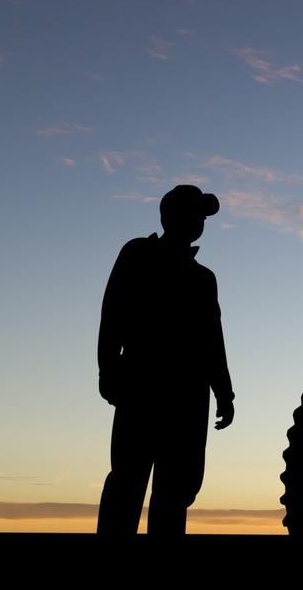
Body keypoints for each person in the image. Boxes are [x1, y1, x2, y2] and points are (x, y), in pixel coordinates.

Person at [96, 185, 235, 537]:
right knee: (128, 479)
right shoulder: (138, 254)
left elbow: (211, 340)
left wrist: (224, 392)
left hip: (188, 395)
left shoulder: (204, 279)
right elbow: (112, 315)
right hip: (141, 384)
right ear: (170, 216)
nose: (201, 221)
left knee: (176, 490)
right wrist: (109, 370)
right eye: (195, 213)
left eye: (202, 216)